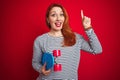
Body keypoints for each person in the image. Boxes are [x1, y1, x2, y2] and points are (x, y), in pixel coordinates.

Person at [32, 3, 102, 80]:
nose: (58, 18)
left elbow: (97, 50)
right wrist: (40, 69)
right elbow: (35, 62)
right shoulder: (40, 40)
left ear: (64, 18)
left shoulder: (75, 38)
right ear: (48, 19)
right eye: (53, 15)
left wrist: (88, 28)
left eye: (61, 15)